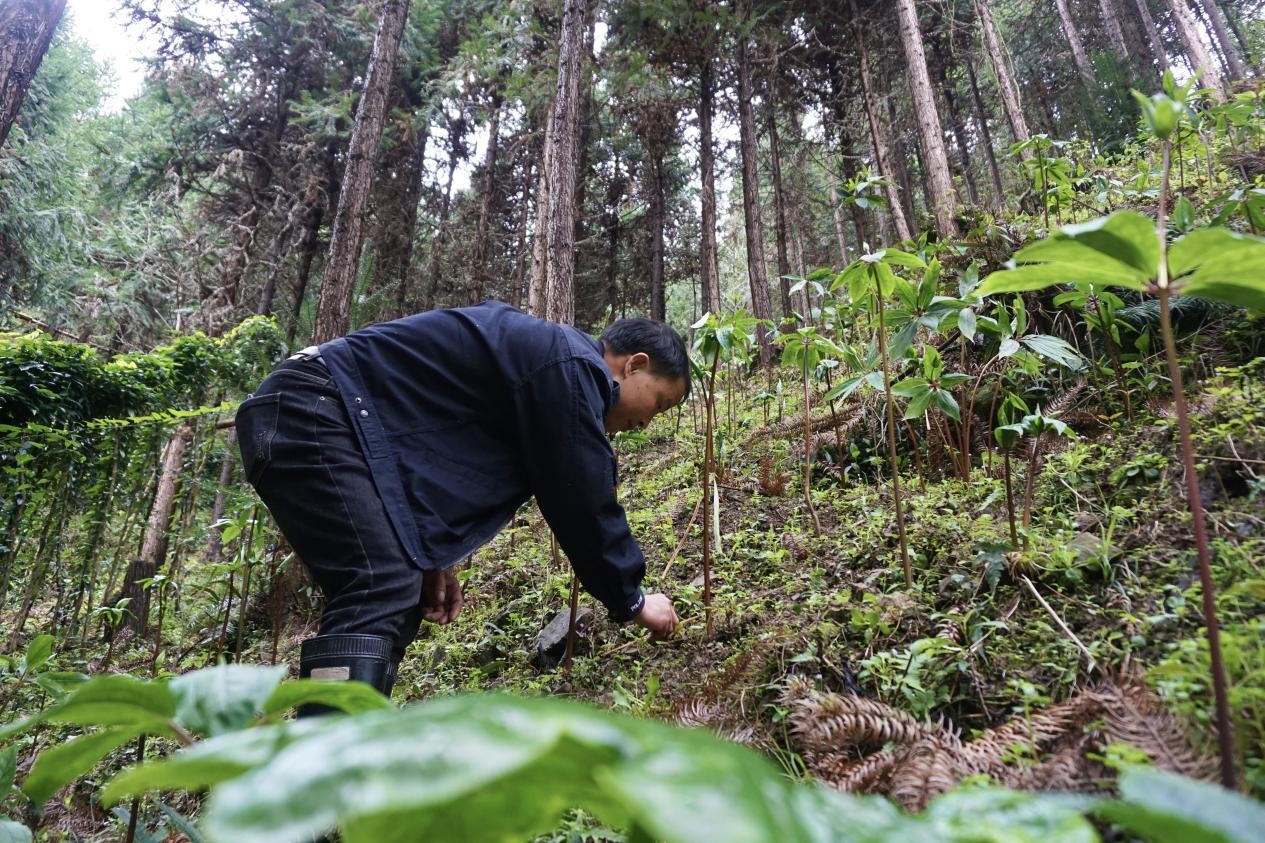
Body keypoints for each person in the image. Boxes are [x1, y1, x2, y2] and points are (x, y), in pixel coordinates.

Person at [235, 301, 687, 698]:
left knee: (393, 590)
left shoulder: (550, 370)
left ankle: (340, 754)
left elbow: (416, 452)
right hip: (312, 405)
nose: (648, 423)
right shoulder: (568, 365)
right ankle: (323, 774)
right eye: (661, 403)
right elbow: (581, 495)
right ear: (634, 364)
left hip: (316, 414)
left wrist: (429, 554)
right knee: (381, 583)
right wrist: (631, 599)